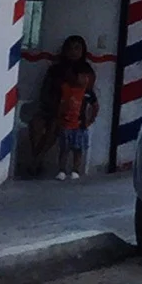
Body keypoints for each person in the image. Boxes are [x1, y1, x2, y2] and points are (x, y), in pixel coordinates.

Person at [40, 36, 98, 181]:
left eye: (77, 48)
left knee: (72, 143)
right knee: (38, 126)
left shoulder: (86, 73)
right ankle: (40, 160)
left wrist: (90, 119)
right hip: (53, 111)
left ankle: (72, 169)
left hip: (76, 120)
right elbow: (46, 92)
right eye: (70, 48)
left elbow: (94, 103)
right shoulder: (56, 70)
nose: (73, 52)